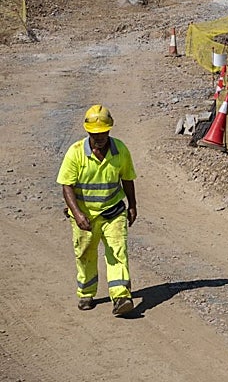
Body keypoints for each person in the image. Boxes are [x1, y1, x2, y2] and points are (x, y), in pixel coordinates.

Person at [57, 104, 138, 316]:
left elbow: (127, 179)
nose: (100, 137)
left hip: (113, 212)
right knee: (85, 254)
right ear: (88, 132)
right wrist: (77, 214)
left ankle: (121, 297)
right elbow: (66, 186)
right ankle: (86, 293)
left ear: (109, 129)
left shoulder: (120, 150)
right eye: (95, 133)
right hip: (85, 217)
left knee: (118, 252)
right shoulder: (75, 153)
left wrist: (133, 205)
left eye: (103, 132)